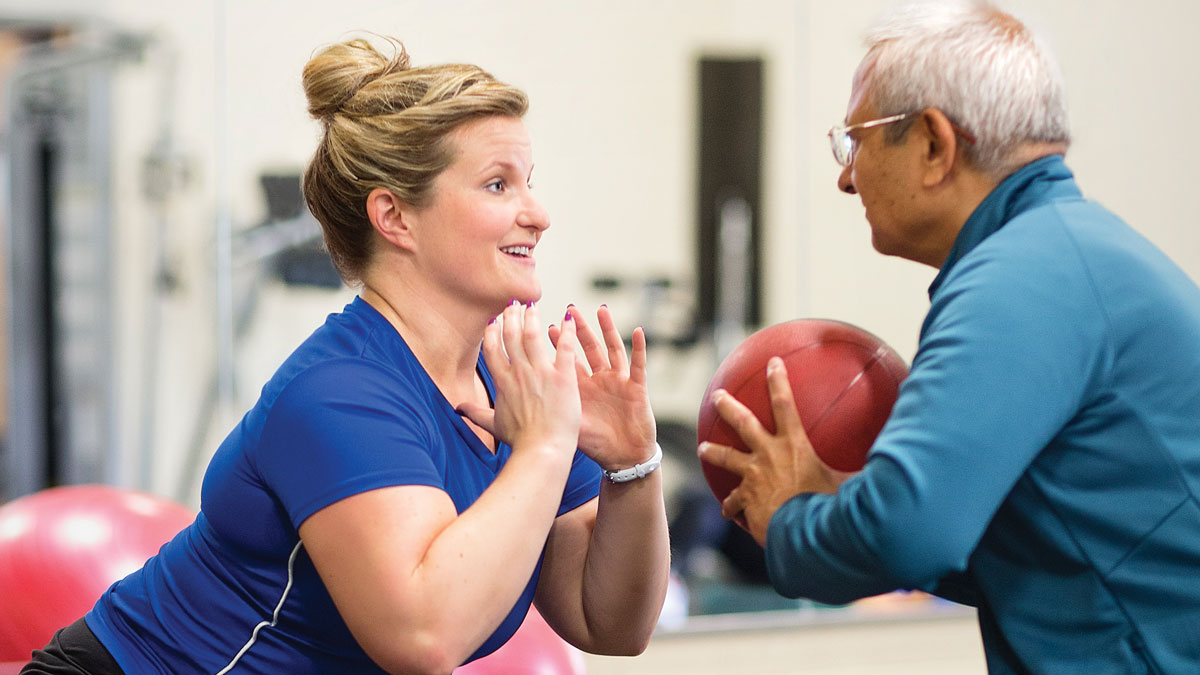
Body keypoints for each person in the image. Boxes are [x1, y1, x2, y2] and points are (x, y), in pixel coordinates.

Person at [24, 37, 670, 674]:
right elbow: (424, 638)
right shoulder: (340, 392)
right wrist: (544, 450)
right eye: (498, 185)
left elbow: (608, 623)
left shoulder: (515, 384)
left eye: (528, 182)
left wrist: (632, 465)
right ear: (395, 217)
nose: (538, 213)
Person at [698, 1, 1200, 672]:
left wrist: (789, 519)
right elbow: (1043, 553)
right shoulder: (1065, 255)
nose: (846, 177)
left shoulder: (1018, 281)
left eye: (859, 140)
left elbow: (910, 533)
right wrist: (843, 499)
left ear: (934, 144)